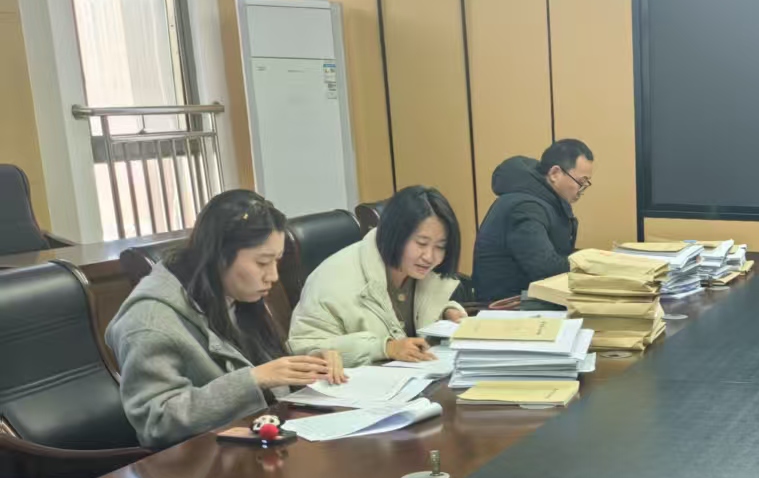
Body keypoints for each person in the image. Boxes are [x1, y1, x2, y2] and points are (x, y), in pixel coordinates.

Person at [106, 189, 345, 450]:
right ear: (219, 256)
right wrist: (253, 380)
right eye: (263, 262)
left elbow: (253, 361)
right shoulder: (149, 320)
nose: (273, 276)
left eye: (277, 261)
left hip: (249, 443)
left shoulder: (228, 292)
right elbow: (157, 423)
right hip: (197, 461)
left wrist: (307, 363)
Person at [289, 186, 468, 366]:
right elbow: (306, 348)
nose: (429, 256)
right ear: (396, 234)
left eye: (440, 247)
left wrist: (446, 312)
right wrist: (385, 348)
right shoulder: (331, 279)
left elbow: (419, 310)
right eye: (421, 243)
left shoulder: (421, 272)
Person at [471, 138, 594, 302]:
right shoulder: (526, 208)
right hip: (505, 306)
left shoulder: (546, 200)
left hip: (526, 299)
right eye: (580, 182)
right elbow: (545, 268)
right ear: (555, 173)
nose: (581, 190)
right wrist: (594, 264)